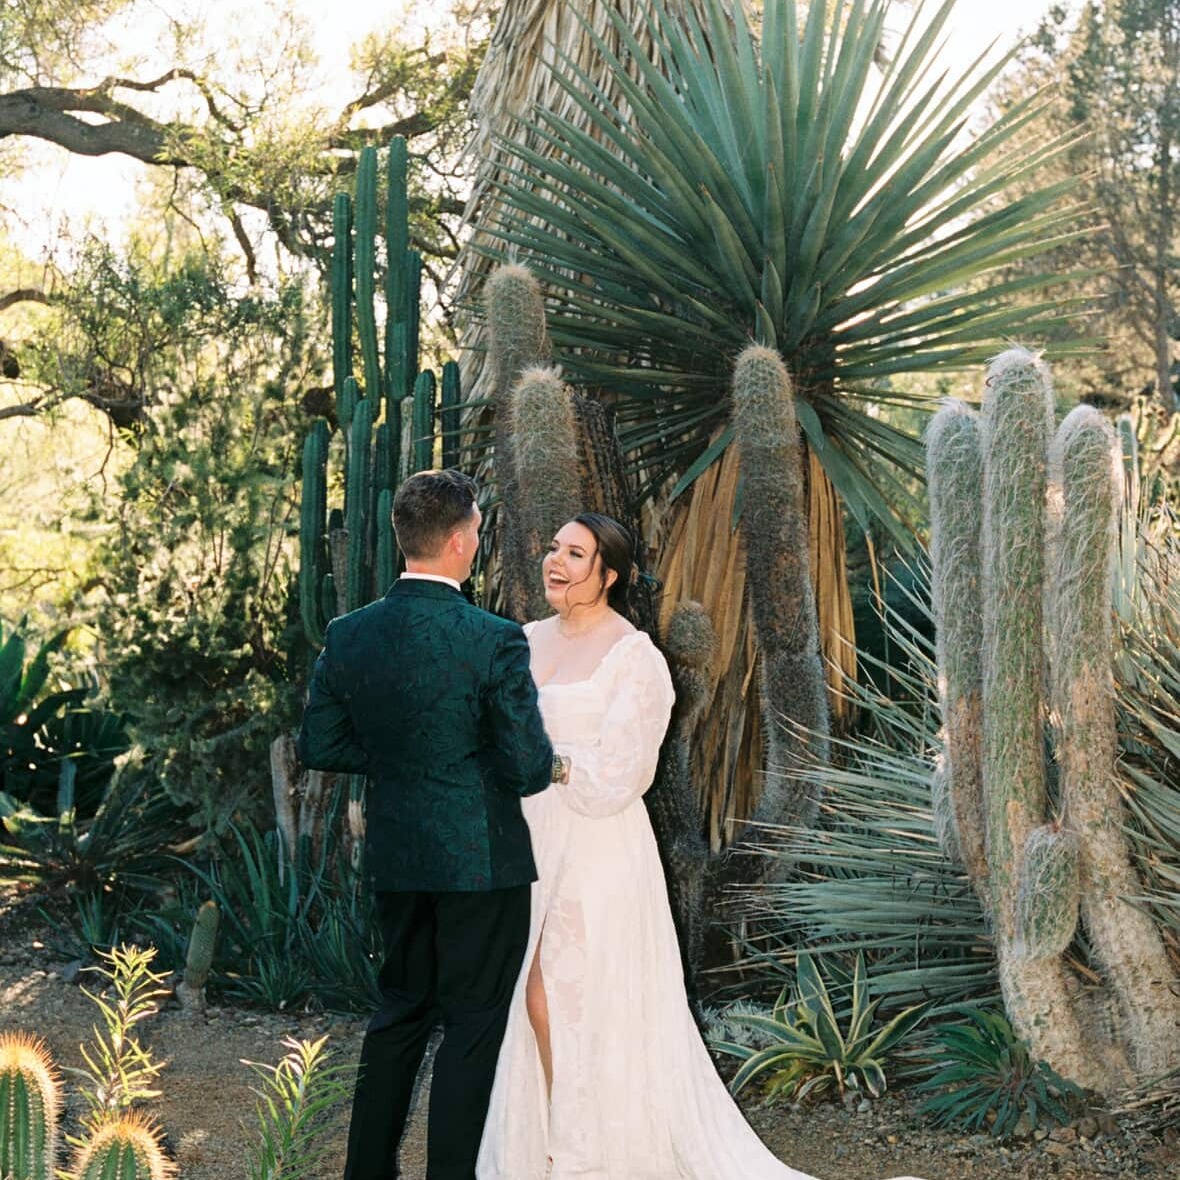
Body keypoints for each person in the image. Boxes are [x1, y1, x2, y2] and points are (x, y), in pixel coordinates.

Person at [477, 512, 927, 1180]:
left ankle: (580, 1154)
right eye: (553, 549)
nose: (555, 562)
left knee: (562, 992)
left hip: (598, 844)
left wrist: (548, 759)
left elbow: (626, 772)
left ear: (609, 575)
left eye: (575, 554)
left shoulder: (636, 658)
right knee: (529, 994)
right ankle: (548, 1138)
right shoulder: (519, 642)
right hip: (530, 837)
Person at [297, 468, 563, 1180]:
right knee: (473, 1027)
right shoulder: (495, 638)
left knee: (399, 1015)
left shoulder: (349, 633)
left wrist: (399, 758)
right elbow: (529, 765)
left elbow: (318, 743)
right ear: (456, 542)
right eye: (476, 528)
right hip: (482, 863)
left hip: (397, 858)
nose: (478, 539)